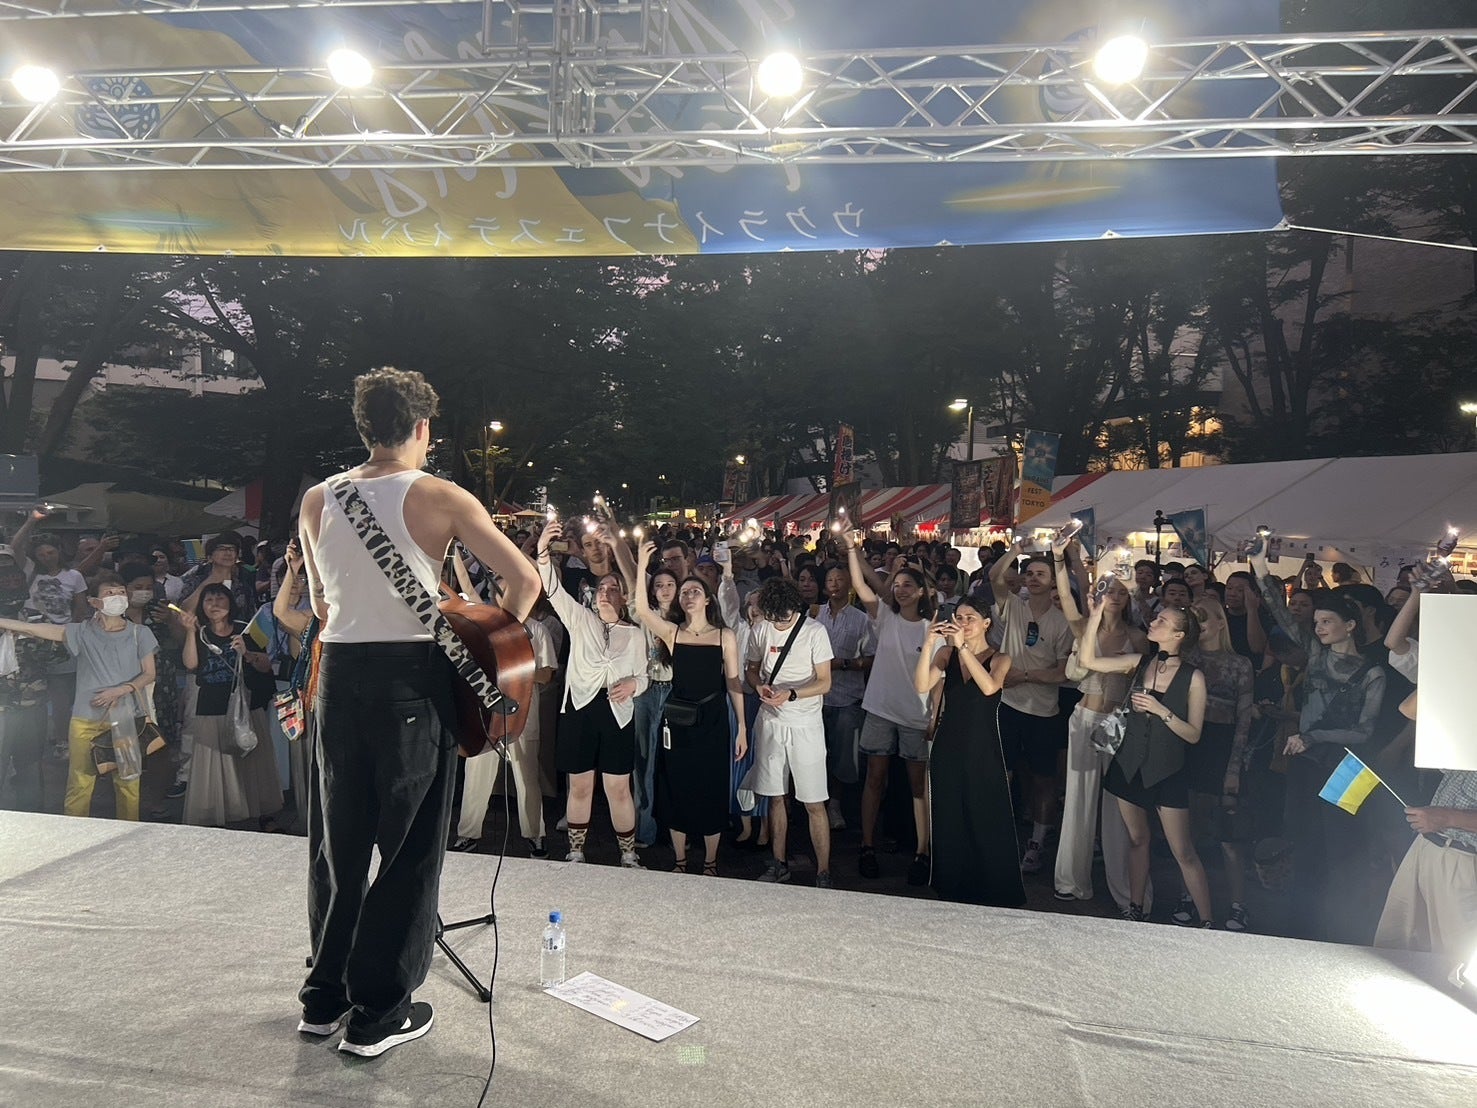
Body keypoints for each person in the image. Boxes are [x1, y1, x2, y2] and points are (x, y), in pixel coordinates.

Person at [296, 367, 539, 1058]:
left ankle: (325, 999)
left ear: (363, 426)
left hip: (340, 679)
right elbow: (524, 580)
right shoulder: (441, 496)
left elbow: (320, 605)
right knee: (407, 850)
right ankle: (378, 1014)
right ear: (423, 427)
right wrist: (487, 641)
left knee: (337, 845)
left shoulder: (317, 498)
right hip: (411, 682)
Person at [1249, 545, 1386, 942]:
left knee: (1343, 845)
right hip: (1307, 763)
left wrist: (1311, 736)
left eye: (1327, 621)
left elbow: (1364, 732)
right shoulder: (1316, 654)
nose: (1320, 627)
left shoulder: (1373, 673)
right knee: (1303, 840)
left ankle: (1341, 930)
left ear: (1351, 625)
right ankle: (1302, 924)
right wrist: (1259, 564)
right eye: (1318, 622)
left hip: (1349, 767)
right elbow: (1280, 612)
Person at [1080, 598, 1213, 925]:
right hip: (1130, 764)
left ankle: (1208, 922)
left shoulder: (1194, 677)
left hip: (1168, 769)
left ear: (1179, 635)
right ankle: (1135, 908)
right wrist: (1095, 616)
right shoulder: (1141, 662)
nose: (1153, 622)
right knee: (1138, 839)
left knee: (1183, 851)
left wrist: (1160, 710)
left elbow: (1194, 734)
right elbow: (1087, 660)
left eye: (1162, 621)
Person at [0, 571, 159, 822]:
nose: (117, 597)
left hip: (127, 716)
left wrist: (121, 689)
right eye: (109, 593)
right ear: (94, 601)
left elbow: (149, 673)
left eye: (120, 592)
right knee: (80, 781)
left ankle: (129, 831)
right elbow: (37, 629)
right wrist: (5, 622)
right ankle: (74, 832)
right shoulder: (82, 632)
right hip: (86, 718)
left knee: (128, 780)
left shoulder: (140, 633)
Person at [536, 521, 648, 868]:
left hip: (617, 711)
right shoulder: (580, 619)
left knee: (619, 788)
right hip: (580, 707)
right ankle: (575, 851)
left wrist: (634, 685)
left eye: (613, 588)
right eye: (601, 588)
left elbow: (645, 675)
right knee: (580, 785)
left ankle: (628, 854)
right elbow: (552, 589)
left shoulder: (635, 634)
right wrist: (542, 552)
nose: (605, 592)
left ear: (623, 597)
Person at [632, 545, 747, 875]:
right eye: (684, 592)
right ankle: (680, 861)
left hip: (712, 720)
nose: (688, 596)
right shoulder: (673, 632)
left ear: (708, 599)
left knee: (711, 786)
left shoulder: (725, 636)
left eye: (695, 591)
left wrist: (741, 726)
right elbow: (642, 609)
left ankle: (710, 861)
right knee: (676, 786)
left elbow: (734, 682)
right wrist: (642, 566)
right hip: (678, 719)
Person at [1052, 541, 1149, 910]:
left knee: (1118, 808)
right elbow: (1065, 595)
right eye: (1111, 591)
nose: (1116, 598)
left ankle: (1126, 892)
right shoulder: (1083, 627)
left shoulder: (1137, 637)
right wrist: (1059, 556)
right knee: (1078, 800)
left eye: (1123, 593)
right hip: (1084, 719)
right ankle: (1071, 880)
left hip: (1118, 724)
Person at [914, 597, 1023, 907]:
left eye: (970, 617)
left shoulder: (1000, 657)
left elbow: (989, 687)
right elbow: (921, 685)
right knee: (949, 814)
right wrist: (930, 642)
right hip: (949, 743)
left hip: (983, 747)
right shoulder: (946, 654)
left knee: (985, 813)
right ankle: (951, 883)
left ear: (986, 623)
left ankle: (992, 886)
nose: (963, 623)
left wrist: (962, 647)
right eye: (958, 617)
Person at [843, 530, 934, 885]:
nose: (900, 589)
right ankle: (867, 846)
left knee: (918, 786)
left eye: (908, 585)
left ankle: (922, 850)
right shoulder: (886, 617)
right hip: (881, 709)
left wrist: (934, 716)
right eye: (897, 585)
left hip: (916, 715)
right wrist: (851, 548)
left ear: (922, 591)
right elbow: (860, 584)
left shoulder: (931, 628)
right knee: (874, 779)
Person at [989, 541, 1075, 876]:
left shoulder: (1062, 622)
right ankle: (998, 833)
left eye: (1041, 574)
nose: (1034, 578)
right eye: (1030, 573)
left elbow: (1063, 673)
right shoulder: (1013, 605)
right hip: (1009, 706)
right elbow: (995, 577)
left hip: (1044, 712)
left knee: (1044, 779)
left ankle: (1037, 842)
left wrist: (1023, 676)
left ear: (1053, 582)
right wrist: (1015, 550)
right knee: (1003, 772)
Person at [746, 576, 834, 887]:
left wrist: (792, 694)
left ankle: (823, 871)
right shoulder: (761, 629)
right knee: (775, 796)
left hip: (806, 722)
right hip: (772, 720)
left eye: (783, 617)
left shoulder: (814, 631)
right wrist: (759, 685)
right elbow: (751, 668)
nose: (778, 623)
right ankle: (779, 862)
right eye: (773, 618)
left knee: (814, 801)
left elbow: (825, 681)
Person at [1175, 595, 1255, 930]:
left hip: (1222, 746)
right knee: (1187, 831)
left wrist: (1234, 769)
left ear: (1221, 622)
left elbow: (1244, 720)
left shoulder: (1239, 664)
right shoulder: (1185, 657)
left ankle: (1238, 904)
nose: (1199, 624)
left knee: (1228, 836)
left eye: (1204, 617)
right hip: (1188, 746)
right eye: (1193, 618)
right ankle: (1188, 896)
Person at [177, 583, 278, 827]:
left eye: (220, 599)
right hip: (211, 705)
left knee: (251, 760)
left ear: (231, 603)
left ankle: (259, 814)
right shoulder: (200, 633)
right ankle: (221, 815)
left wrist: (247, 654)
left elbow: (266, 665)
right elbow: (191, 665)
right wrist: (189, 632)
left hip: (246, 706)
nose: (214, 604)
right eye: (208, 600)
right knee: (215, 763)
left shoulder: (247, 629)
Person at [815, 562, 872, 830]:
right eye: (830, 580)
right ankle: (816, 803)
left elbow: (871, 658)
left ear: (849, 584)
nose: (835, 584)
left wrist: (845, 664)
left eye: (840, 580)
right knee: (818, 754)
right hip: (817, 697)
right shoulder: (814, 615)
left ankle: (835, 804)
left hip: (847, 697)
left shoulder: (862, 619)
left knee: (843, 756)